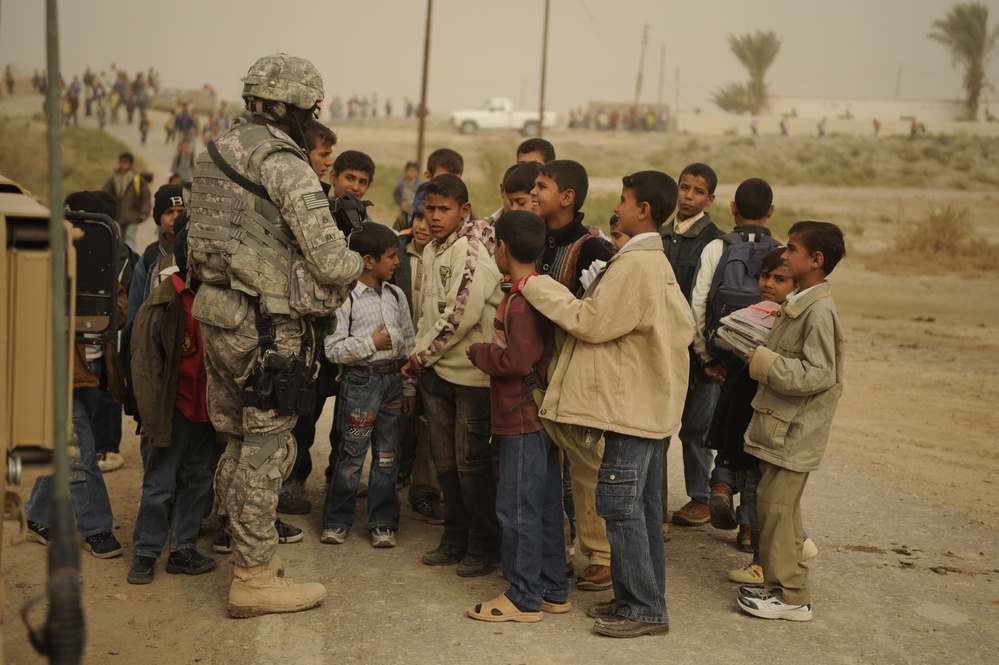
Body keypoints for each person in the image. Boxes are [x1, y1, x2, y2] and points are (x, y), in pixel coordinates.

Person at [186, 53, 363, 618]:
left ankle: (246, 555)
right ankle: (254, 579)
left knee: (237, 442)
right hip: (266, 328)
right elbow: (333, 265)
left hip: (217, 313)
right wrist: (358, 259)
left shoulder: (213, 152)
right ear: (297, 107)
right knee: (267, 448)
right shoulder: (283, 162)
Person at [519, 171, 692, 637]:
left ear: (644, 211)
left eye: (623, 200)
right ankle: (639, 598)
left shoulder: (638, 265)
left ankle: (645, 610)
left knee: (619, 505)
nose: (616, 209)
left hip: (632, 408)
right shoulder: (646, 261)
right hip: (644, 404)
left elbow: (590, 322)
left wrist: (532, 285)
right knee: (640, 509)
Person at [736, 221, 846, 622]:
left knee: (777, 513)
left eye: (793, 249)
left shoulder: (818, 311)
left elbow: (819, 374)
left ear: (816, 261)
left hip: (794, 432)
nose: (785, 255)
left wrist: (763, 362)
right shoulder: (801, 303)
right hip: (781, 428)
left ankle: (793, 596)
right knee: (778, 510)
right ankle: (778, 586)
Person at [466, 209, 569, 623]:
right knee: (542, 505)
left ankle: (524, 596)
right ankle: (552, 589)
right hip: (539, 416)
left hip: (521, 417)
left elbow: (516, 358)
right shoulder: (539, 289)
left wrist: (479, 352)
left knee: (516, 507)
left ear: (502, 248)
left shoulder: (521, 302)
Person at [401, 174, 503, 578]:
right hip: (436, 373)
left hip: (471, 377)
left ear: (464, 211)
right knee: (444, 463)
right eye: (430, 209)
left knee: (471, 464)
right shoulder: (431, 250)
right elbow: (428, 312)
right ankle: (455, 536)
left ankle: (483, 543)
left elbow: (460, 315)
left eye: (445, 210)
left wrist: (419, 356)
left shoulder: (471, 249)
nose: (435, 217)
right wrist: (421, 358)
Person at [25, 191, 127, 560]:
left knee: (69, 447)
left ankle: (36, 515)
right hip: (61, 370)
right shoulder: (46, 259)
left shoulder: (106, 261)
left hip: (93, 369)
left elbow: (120, 309)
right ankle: (96, 527)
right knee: (81, 451)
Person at [530, 159, 613, 592]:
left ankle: (600, 554)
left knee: (584, 462)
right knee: (544, 465)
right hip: (538, 368)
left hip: (577, 368)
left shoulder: (593, 249)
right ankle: (552, 552)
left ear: (568, 198)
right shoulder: (535, 238)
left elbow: (594, 315)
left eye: (542, 186)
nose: (533, 193)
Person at [712, 247, 819, 584]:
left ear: (797, 284)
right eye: (764, 276)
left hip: (766, 417)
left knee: (761, 492)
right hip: (744, 415)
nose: (768, 284)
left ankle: (766, 560)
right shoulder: (757, 314)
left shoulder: (792, 321)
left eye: (780, 278)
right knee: (753, 487)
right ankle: (795, 542)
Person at [688, 178, 779, 538]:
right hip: (764, 363)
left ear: (732, 207)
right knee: (754, 439)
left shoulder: (717, 246)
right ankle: (746, 526)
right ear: (770, 211)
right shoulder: (782, 252)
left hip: (725, 358)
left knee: (727, 428)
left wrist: (706, 355)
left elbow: (698, 302)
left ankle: (722, 483)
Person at [127, 227, 217, 585]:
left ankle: (182, 549)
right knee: (160, 484)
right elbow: (146, 365)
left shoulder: (216, 299)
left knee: (197, 479)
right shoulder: (165, 302)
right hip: (173, 410)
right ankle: (146, 553)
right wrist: (151, 417)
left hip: (207, 410)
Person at [320, 223, 415, 547]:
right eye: (391, 257)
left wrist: (409, 386)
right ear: (369, 261)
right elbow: (332, 349)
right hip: (360, 382)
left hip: (392, 382)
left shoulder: (396, 295)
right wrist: (370, 343)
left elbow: (409, 344)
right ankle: (337, 520)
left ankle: (383, 522)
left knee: (387, 457)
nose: (397, 262)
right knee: (351, 455)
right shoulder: (346, 298)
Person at [277, 118, 339, 516]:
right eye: (323, 154)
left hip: (311, 337)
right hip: (286, 331)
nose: (328, 163)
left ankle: (290, 482)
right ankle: (276, 493)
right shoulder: (295, 200)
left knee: (304, 413)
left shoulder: (319, 199)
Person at [660, 163, 723, 533]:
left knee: (697, 427)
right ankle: (654, 504)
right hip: (663, 345)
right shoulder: (660, 235)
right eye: (684, 188)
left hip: (697, 348)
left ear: (709, 198)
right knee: (657, 426)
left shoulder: (716, 240)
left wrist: (708, 352)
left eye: (698, 192)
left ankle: (701, 496)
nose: (688, 197)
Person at [392, 189, 445, 524]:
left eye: (430, 217)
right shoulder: (397, 251)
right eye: (419, 216)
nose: (424, 225)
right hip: (395, 351)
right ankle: (390, 477)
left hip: (431, 353)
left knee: (427, 424)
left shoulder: (450, 255)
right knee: (393, 419)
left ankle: (424, 492)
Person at [102, 151, 151, 252]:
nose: (122, 165)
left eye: (125, 162)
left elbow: (146, 195)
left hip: (133, 213)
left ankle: (131, 258)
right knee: (122, 237)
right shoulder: (115, 178)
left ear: (131, 165)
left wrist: (144, 211)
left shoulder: (137, 178)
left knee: (129, 237)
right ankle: (125, 257)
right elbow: (105, 192)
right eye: (120, 162)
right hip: (120, 214)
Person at [392, 160, 422, 225]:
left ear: (417, 172)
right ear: (406, 171)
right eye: (410, 170)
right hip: (403, 210)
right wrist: (400, 202)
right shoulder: (401, 183)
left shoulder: (419, 184)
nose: (411, 173)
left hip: (414, 210)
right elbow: (396, 194)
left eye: (414, 171)